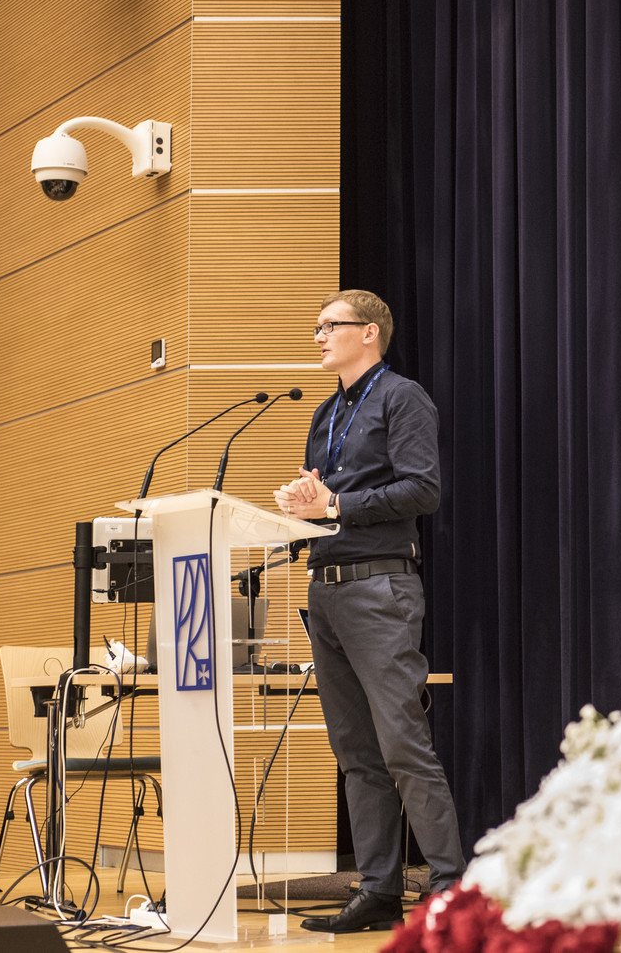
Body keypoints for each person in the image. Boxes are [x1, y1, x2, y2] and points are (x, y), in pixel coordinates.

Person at [274, 289, 465, 932]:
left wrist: (335, 506)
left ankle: (448, 890)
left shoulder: (401, 398)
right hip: (325, 589)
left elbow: (423, 489)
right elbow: (325, 496)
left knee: (402, 745)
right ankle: (379, 891)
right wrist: (303, 502)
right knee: (356, 753)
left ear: (369, 333)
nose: (319, 336)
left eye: (330, 325)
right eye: (317, 325)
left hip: (380, 588)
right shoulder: (327, 411)